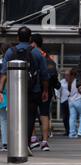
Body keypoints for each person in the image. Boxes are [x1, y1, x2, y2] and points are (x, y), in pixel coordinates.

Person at [0, 26, 49, 155]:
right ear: (30, 38)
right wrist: (45, 90)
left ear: (17, 37)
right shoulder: (37, 52)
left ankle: (16, 143)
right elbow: (44, 74)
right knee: (30, 117)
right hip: (34, 90)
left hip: (15, 90)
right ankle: (26, 143)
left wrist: (0, 90)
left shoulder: (10, 52)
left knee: (15, 116)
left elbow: (4, 73)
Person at [30, 33, 61, 151]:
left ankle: (32, 139)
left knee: (31, 113)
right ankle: (45, 141)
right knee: (44, 115)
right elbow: (52, 74)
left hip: (34, 89)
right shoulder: (47, 56)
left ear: (33, 43)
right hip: (46, 90)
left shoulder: (31, 53)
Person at [67, 68, 81, 138]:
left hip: (71, 101)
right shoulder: (78, 81)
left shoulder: (71, 82)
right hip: (78, 100)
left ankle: (72, 133)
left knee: (72, 117)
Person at [0, 43, 10, 152]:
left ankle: (5, 143)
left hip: (2, 92)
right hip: (12, 92)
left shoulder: (1, 63)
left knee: (3, 119)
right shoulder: (14, 63)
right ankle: (8, 142)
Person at [57, 70, 70, 136]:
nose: (66, 76)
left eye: (68, 75)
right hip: (63, 101)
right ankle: (67, 130)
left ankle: (71, 131)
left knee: (70, 117)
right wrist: (58, 97)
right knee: (65, 117)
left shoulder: (73, 81)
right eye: (65, 75)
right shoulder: (61, 82)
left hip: (71, 101)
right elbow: (58, 90)